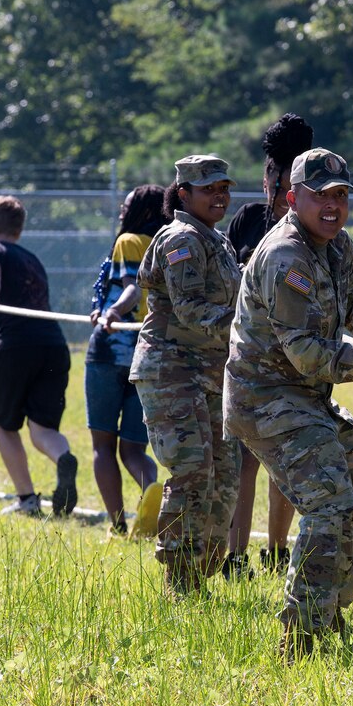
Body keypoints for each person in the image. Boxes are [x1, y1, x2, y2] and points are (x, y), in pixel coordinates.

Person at [224, 148, 353, 662]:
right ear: (293, 198)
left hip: (305, 399)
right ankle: (301, 640)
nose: (333, 206)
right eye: (321, 195)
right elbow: (306, 355)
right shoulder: (285, 258)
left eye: (341, 196)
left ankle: (325, 613)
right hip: (265, 400)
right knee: (329, 503)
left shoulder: (335, 244)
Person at [128, 155, 243, 595]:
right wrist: (251, 329)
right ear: (183, 194)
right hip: (173, 371)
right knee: (193, 471)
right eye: (209, 189)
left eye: (224, 188)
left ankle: (199, 575)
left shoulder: (215, 240)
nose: (220, 196)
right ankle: (180, 581)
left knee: (225, 476)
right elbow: (192, 309)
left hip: (212, 374)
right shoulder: (181, 239)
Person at [223, 113, 315, 580]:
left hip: (297, 363)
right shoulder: (246, 222)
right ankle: (236, 556)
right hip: (249, 362)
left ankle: (276, 551)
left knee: (287, 458)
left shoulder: (314, 229)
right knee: (243, 457)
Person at [0, 195, 78, 517]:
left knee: (5, 426)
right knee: (42, 430)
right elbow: (9, 320)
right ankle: (63, 457)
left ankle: (27, 500)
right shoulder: (32, 260)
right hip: (53, 347)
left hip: (16, 352)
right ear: (20, 230)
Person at [86, 185, 165, 537]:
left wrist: (113, 311)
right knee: (134, 448)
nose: (122, 208)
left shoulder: (129, 241)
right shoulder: (170, 241)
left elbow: (132, 288)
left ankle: (117, 526)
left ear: (143, 211)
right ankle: (152, 489)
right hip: (151, 355)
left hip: (111, 350)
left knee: (103, 445)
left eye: (128, 203)